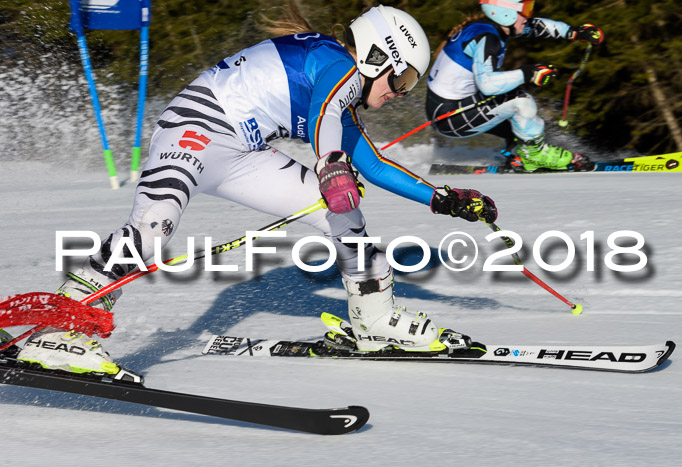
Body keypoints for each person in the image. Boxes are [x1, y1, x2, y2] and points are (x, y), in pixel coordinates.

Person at [14, 5, 498, 376]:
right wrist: (332, 166)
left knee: (338, 212)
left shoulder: (341, 89)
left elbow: (372, 164)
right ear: (377, 56)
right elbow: (328, 116)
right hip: (196, 129)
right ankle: (62, 331)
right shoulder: (336, 64)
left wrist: (443, 198)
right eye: (403, 77)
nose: (402, 91)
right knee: (151, 230)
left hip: (241, 155)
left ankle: (374, 319)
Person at [425, 0, 604, 171]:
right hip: (449, 116)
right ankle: (534, 156)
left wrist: (574, 32)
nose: (528, 16)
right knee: (521, 101)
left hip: (446, 107)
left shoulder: (490, 27)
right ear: (505, 13)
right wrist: (528, 73)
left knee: (521, 120)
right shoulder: (489, 38)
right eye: (525, 10)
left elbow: (537, 27)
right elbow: (487, 85)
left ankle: (519, 154)